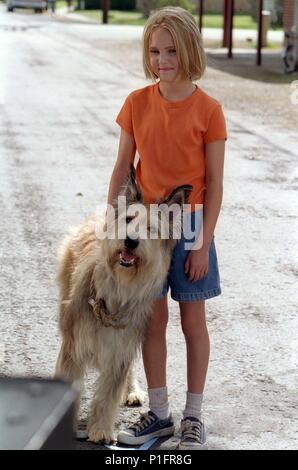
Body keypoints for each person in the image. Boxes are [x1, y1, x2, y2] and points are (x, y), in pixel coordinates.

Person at [106, 6, 227, 450]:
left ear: (190, 50)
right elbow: (122, 166)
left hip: (191, 223)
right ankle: (159, 414)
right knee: (150, 323)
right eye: (155, 51)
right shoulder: (137, 103)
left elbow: (214, 185)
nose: (162, 60)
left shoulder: (209, 110)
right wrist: (113, 225)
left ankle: (193, 416)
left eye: (172, 50)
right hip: (144, 224)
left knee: (192, 322)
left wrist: (202, 243)